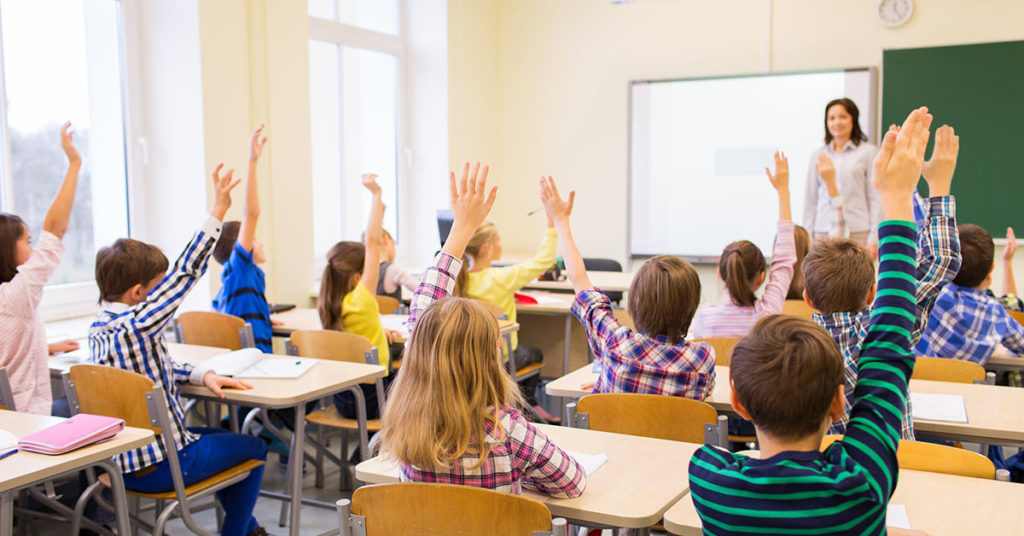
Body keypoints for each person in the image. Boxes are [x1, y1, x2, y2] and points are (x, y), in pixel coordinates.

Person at [688, 106, 930, 535]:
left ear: (737, 401)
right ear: (840, 402)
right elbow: (888, 345)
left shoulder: (710, 482)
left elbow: (888, 348)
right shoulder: (863, 485)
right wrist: (896, 199)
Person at [379, 162, 585, 498]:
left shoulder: (406, 429)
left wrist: (461, 229)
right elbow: (572, 483)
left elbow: (423, 314)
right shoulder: (508, 432)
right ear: (491, 358)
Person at [89, 164, 268, 536]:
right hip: (163, 463)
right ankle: (238, 532)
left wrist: (202, 373)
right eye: (157, 287)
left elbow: (156, 364)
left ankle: (246, 528)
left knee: (222, 439)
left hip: (116, 466)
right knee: (253, 446)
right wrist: (217, 209)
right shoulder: (138, 323)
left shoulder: (99, 331)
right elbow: (186, 271)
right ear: (139, 294)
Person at [804, 123, 960, 439]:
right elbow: (941, 260)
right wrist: (937, 184)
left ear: (806, 297)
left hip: (825, 482)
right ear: (874, 293)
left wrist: (834, 191)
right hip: (893, 480)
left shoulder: (793, 350)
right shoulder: (885, 331)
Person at [539, 175, 714, 398]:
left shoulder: (616, 346)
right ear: (691, 306)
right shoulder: (702, 359)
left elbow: (578, 279)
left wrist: (560, 219)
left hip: (611, 434)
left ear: (635, 302)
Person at [452, 182, 560, 423]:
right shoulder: (502, 278)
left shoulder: (460, 280)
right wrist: (551, 222)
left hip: (467, 356)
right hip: (500, 357)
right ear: (488, 248)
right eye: (499, 241)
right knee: (535, 352)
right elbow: (543, 261)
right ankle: (531, 405)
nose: (502, 245)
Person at [0, 123, 82, 415]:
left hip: (8, 423)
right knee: (88, 403)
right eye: (27, 241)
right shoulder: (16, 296)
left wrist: (43, 347)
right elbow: (55, 229)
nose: (34, 249)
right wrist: (74, 163)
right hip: (28, 420)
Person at [318, 173, 400, 419]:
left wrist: (379, 334)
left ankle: (366, 447)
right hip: (373, 399)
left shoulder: (329, 305)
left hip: (343, 398)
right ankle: (376, 448)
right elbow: (373, 244)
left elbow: (358, 336)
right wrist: (376, 195)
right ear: (357, 277)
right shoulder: (361, 300)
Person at [691, 152, 796, 338]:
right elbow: (784, 261)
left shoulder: (705, 318)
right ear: (761, 277)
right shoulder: (766, 316)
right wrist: (783, 190)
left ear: (720, 273)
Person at [915, 223, 1024, 364]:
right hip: (963, 384)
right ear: (991, 269)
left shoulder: (929, 294)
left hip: (917, 381)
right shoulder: (997, 315)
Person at [212, 125, 274, 352]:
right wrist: (253, 161)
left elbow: (219, 310)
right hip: (257, 361)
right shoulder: (241, 271)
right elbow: (252, 213)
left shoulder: (231, 280)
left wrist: (262, 316)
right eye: (254, 239)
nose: (260, 243)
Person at [804, 98, 880, 256]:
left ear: (853, 119)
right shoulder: (818, 155)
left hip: (857, 231)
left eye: (843, 117)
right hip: (823, 231)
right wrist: (807, 235)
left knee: (857, 279)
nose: (837, 122)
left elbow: (875, 197)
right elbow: (810, 200)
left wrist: (874, 236)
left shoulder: (868, 152)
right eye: (831, 118)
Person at [375, 229, 419, 301]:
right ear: (386, 239)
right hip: (391, 312)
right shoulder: (392, 269)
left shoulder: (364, 270)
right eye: (393, 246)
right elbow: (423, 290)